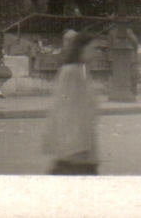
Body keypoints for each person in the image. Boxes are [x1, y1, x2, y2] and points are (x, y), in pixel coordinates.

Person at [40, 30, 100, 175]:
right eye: (92, 48)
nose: (96, 53)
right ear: (81, 49)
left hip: (83, 147)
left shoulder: (83, 70)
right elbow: (63, 110)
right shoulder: (71, 72)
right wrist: (75, 147)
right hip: (75, 149)